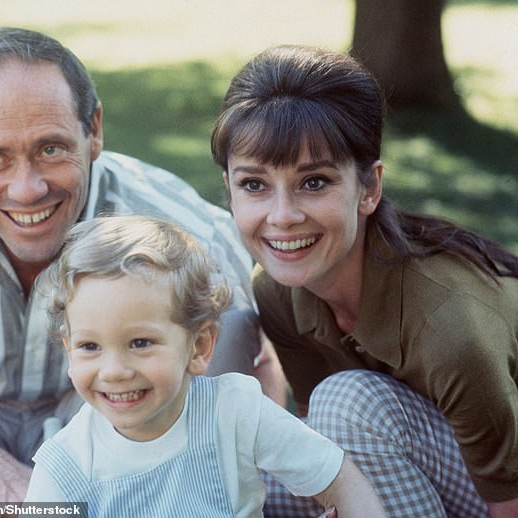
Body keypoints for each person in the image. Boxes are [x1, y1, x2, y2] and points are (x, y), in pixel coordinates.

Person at [0, 27, 273, 506]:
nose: (26, 190)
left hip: (114, 413)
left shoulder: (182, 231)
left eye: (50, 149)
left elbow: (249, 371)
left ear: (94, 131)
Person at [210, 45, 518, 518]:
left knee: (349, 404)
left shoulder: (449, 324)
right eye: (254, 185)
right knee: (231, 480)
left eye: (314, 182)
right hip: (427, 471)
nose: (282, 217)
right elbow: (322, 450)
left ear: (369, 188)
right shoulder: (277, 290)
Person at [24, 214, 386, 518]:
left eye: (140, 343)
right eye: (90, 346)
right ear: (69, 350)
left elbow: (337, 476)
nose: (114, 370)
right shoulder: (64, 469)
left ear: (199, 346)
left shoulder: (233, 411)